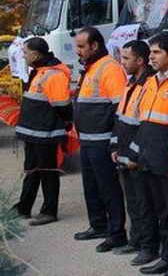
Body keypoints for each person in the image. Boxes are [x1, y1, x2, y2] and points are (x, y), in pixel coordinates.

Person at [129, 32, 168, 276]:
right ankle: (166, 257)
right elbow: (143, 120)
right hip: (149, 158)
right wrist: (137, 153)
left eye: (156, 52)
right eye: (150, 52)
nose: (150, 57)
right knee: (160, 212)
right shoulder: (151, 81)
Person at [72, 26, 128, 252]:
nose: (78, 51)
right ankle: (98, 225)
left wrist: (115, 140)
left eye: (81, 46)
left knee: (108, 188)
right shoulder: (91, 67)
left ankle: (117, 233)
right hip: (88, 140)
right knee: (91, 186)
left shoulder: (109, 68)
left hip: (102, 141)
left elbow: (119, 108)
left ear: (95, 46)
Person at [110, 40, 160, 266]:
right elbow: (120, 118)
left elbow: (144, 126)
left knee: (144, 203)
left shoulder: (148, 85)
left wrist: (133, 153)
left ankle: (149, 247)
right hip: (123, 153)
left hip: (138, 156)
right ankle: (137, 240)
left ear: (140, 60)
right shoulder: (129, 84)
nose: (122, 62)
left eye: (126, 58)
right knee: (132, 201)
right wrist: (114, 146)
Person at [13, 37, 72, 226]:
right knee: (31, 169)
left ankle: (49, 211)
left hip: (45, 133)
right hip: (34, 131)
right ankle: (23, 207)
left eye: (26, 52)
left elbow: (62, 107)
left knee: (48, 171)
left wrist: (61, 124)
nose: (23, 55)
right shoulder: (40, 71)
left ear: (36, 54)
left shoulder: (54, 74)